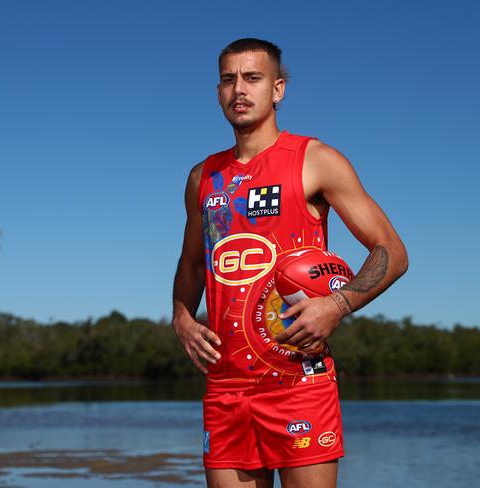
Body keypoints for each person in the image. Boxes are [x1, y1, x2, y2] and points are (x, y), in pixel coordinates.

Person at [171, 38, 408, 488]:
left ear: (278, 89)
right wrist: (181, 316)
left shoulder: (315, 160)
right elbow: (192, 264)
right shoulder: (203, 177)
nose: (239, 89)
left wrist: (336, 306)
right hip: (226, 388)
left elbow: (391, 252)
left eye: (253, 78)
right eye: (228, 79)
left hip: (299, 382)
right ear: (218, 90)